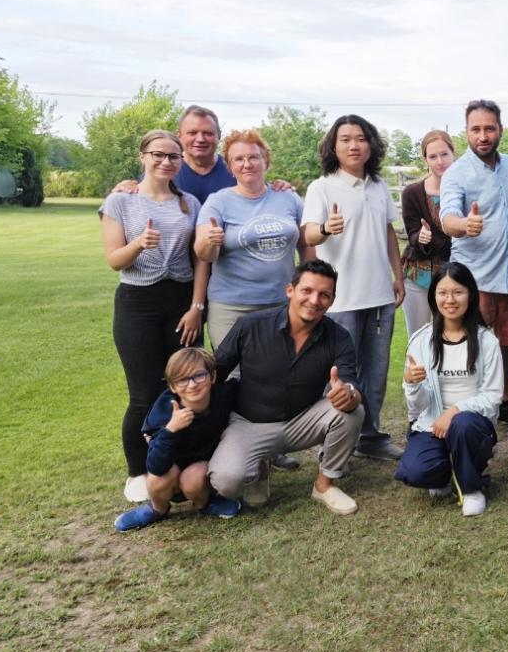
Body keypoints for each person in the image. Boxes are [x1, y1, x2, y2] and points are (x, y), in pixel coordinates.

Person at [100, 129, 208, 504]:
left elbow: (200, 260)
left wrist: (196, 308)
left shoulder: (190, 203)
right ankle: (138, 471)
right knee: (144, 393)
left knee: (187, 386)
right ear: (143, 157)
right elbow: (114, 260)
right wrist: (138, 244)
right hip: (137, 303)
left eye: (173, 156)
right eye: (158, 154)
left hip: (181, 302)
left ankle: (183, 462)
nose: (166, 162)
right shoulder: (120, 201)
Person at [208, 260, 364, 515]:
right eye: (307, 291)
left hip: (302, 420)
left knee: (352, 412)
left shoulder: (338, 336)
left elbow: (350, 384)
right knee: (226, 482)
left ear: (332, 301)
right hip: (250, 423)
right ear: (290, 290)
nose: (314, 300)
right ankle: (260, 467)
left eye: (324, 295)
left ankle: (324, 485)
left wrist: (348, 394)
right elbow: (216, 372)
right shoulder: (251, 326)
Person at [195, 128, 309, 472]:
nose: (247, 164)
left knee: (275, 376)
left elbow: (305, 243)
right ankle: (240, 455)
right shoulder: (218, 201)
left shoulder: (287, 198)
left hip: (279, 304)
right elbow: (202, 253)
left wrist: (309, 282)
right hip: (232, 306)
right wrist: (210, 240)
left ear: (266, 161)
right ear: (230, 166)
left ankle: (271, 448)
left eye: (254, 157)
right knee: (233, 380)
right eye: (239, 159)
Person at [302, 115, 405, 461]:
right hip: (340, 299)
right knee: (340, 375)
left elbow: (388, 232)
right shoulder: (322, 187)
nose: (354, 145)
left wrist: (398, 276)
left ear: (371, 145)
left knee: (375, 373)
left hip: (380, 296)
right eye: (345, 139)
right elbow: (309, 234)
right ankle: (333, 446)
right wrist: (325, 228)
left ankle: (371, 438)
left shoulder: (378, 186)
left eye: (360, 138)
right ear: (334, 146)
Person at [395, 263, 502, 517]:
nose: (450, 300)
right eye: (442, 293)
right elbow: (417, 407)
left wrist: (454, 411)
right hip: (432, 424)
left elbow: (493, 396)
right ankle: (444, 471)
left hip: (471, 424)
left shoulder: (486, 341)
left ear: (470, 295)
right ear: (433, 296)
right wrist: (411, 383)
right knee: (415, 472)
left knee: (462, 424)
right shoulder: (421, 341)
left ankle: (472, 488)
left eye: (458, 292)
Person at [439, 100, 508, 422]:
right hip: (474, 277)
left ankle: (505, 398)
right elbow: (447, 218)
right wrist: (465, 224)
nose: (483, 135)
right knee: (471, 342)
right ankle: (470, 404)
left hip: (507, 272)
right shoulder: (456, 173)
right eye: (476, 129)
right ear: (466, 132)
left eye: (490, 128)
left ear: (500, 129)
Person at [113, 348, 243, 531]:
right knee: (157, 479)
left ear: (212, 376)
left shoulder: (223, 395)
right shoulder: (163, 411)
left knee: (194, 477)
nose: (192, 385)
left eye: (199, 375)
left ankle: (204, 502)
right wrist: (171, 429)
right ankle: (157, 508)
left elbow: (249, 386)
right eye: (182, 380)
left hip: (200, 470)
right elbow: (155, 466)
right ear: (172, 386)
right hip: (169, 471)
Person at [111, 105, 294, 205]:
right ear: (179, 136)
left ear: (218, 136)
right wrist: (125, 187)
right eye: (192, 133)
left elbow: (259, 192)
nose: (200, 139)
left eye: (208, 133)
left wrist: (278, 187)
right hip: (177, 261)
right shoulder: (164, 171)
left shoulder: (235, 170)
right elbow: (137, 197)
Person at [399, 130, 456, 338]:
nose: (440, 161)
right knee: (417, 338)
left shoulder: (465, 191)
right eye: (433, 156)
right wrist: (421, 237)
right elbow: (413, 233)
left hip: (454, 276)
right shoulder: (412, 193)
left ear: (453, 154)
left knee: (452, 337)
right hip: (419, 274)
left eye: (444, 154)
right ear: (425, 160)